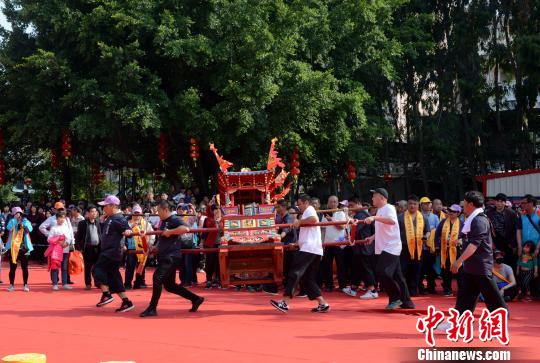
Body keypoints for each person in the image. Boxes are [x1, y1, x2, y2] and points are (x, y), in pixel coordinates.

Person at [439, 191, 507, 329]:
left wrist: (458, 261)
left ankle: (500, 324)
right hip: (472, 266)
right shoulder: (473, 219)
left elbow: (474, 245)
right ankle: (457, 322)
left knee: (492, 297)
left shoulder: (479, 220)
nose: (462, 205)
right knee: (465, 297)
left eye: (464, 202)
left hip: (480, 266)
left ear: (470, 204)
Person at [139, 200, 204, 317]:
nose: (157, 213)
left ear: (165, 210)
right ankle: (196, 299)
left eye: (158, 210)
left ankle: (152, 308)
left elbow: (186, 229)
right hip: (165, 255)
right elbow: (163, 238)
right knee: (170, 286)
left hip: (171, 256)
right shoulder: (163, 221)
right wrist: (154, 247)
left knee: (157, 278)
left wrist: (170, 232)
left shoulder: (174, 219)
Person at [270, 194, 330, 313]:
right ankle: (322, 303)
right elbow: (308, 233)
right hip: (312, 248)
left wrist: (299, 222)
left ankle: (285, 302)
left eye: (300, 204)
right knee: (307, 278)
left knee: (294, 273)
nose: (299, 206)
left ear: (306, 202)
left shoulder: (310, 210)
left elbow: (313, 220)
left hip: (309, 249)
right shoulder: (307, 212)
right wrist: (297, 243)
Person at [364, 188, 415, 310]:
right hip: (384, 246)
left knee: (382, 271)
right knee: (398, 276)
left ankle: (395, 298)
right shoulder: (380, 210)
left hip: (391, 246)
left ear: (382, 198)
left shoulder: (389, 208)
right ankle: (407, 302)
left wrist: (374, 218)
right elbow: (383, 228)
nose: (372, 199)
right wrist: (372, 237)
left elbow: (392, 221)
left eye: (374, 196)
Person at [92, 195, 136, 313]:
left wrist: (128, 231)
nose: (103, 208)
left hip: (112, 251)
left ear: (113, 206)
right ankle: (126, 302)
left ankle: (106, 294)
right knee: (113, 277)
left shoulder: (118, 218)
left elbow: (127, 229)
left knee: (97, 269)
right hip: (111, 251)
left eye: (105, 206)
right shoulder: (110, 217)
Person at [343, 196, 378, 299]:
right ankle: (353, 288)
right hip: (360, 247)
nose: (350, 208)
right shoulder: (360, 214)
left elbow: (355, 229)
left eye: (351, 206)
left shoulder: (362, 214)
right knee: (357, 268)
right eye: (349, 206)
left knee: (366, 269)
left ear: (358, 203)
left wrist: (347, 217)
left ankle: (372, 290)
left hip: (364, 247)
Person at [398, 195, 430, 296]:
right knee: (404, 269)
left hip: (418, 247)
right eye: (410, 204)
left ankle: (413, 289)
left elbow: (428, 231)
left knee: (416, 269)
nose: (412, 206)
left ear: (418, 205)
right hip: (404, 247)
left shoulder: (423, 217)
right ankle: (404, 290)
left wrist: (426, 236)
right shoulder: (400, 217)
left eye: (414, 204)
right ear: (407, 205)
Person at [434, 204, 463, 296]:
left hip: (457, 250)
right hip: (445, 250)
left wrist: (461, 240)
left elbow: (466, 236)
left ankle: (461, 290)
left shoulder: (462, 223)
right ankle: (447, 289)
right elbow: (437, 235)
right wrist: (438, 245)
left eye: (453, 212)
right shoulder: (443, 222)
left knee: (459, 270)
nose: (450, 213)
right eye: (449, 210)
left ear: (458, 213)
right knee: (445, 270)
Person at [321, 196, 348, 292]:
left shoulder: (341, 213)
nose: (333, 203)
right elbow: (322, 229)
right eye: (331, 202)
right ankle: (329, 285)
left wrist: (331, 220)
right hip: (328, 243)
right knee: (327, 265)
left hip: (339, 243)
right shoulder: (325, 214)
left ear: (337, 203)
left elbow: (341, 226)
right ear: (328, 203)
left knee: (341, 265)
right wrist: (322, 242)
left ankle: (342, 285)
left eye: (335, 202)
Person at [125, 205, 155, 289]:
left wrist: (150, 243)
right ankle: (127, 283)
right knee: (130, 266)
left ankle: (139, 282)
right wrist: (133, 225)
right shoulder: (128, 223)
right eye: (135, 213)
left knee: (141, 266)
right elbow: (124, 232)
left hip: (142, 248)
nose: (137, 215)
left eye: (138, 213)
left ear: (141, 213)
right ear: (132, 213)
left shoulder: (146, 223)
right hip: (132, 248)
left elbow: (152, 234)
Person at [3, 207, 33, 292]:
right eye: (16, 213)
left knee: (25, 267)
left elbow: (30, 229)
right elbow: (8, 228)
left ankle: (25, 285)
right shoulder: (12, 221)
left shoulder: (25, 220)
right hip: (13, 247)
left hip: (24, 247)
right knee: (13, 267)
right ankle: (11, 285)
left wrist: (23, 224)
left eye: (19, 213)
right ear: (13, 214)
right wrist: (15, 223)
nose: (18, 214)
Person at [486, 193, 518, 269]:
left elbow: (516, 229)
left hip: (508, 244)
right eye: (497, 201)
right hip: (494, 243)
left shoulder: (511, 213)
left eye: (501, 201)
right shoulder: (489, 213)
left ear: (505, 202)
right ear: (495, 202)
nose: (499, 203)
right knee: (495, 266)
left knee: (509, 266)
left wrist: (513, 243)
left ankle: (510, 280)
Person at [46, 211, 74, 290]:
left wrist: (66, 243)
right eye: (60, 218)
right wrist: (57, 241)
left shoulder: (66, 228)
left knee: (64, 267)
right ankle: (55, 283)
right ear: (57, 219)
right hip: (56, 250)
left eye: (63, 218)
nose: (62, 219)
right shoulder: (54, 228)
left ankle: (64, 283)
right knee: (55, 266)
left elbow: (69, 237)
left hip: (65, 249)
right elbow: (49, 239)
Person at [76, 205, 102, 290]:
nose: (94, 213)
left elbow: (100, 235)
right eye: (92, 212)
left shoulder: (98, 222)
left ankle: (98, 283)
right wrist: (79, 248)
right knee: (88, 267)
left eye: (95, 212)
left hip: (97, 248)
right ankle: (88, 283)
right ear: (87, 213)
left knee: (98, 267)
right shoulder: (83, 223)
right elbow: (78, 237)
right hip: (87, 248)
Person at [419, 197, 439, 294]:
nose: (427, 205)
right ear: (421, 205)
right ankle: (421, 286)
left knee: (431, 267)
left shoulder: (435, 217)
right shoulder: (418, 216)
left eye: (429, 203)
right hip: (420, 247)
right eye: (425, 203)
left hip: (431, 247)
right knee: (421, 268)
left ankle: (431, 286)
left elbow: (438, 231)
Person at [201, 201, 222, 289]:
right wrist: (202, 243)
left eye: (218, 209)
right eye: (215, 209)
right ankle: (209, 279)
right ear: (212, 211)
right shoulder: (207, 219)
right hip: (210, 244)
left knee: (219, 263)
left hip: (220, 244)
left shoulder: (223, 219)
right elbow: (204, 233)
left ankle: (218, 279)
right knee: (209, 262)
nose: (217, 211)